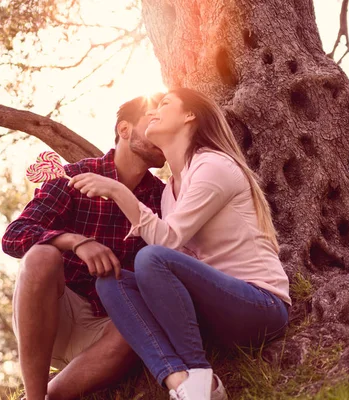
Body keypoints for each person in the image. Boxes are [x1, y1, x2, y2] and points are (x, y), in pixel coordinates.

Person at [70, 88, 291, 400]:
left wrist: (118, 192)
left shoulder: (213, 166)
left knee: (151, 257)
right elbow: (173, 260)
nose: (156, 110)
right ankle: (180, 381)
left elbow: (166, 242)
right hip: (212, 315)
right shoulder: (168, 191)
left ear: (190, 116)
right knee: (111, 280)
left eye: (165, 103)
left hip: (258, 306)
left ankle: (200, 376)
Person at [1, 93, 167, 400]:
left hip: (108, 329)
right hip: (53, 313)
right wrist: (76, 242)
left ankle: (46, 397)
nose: (161, 132)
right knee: (41, 255)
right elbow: (14, 236)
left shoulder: (162, 198)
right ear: (125, 129)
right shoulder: (74, 176)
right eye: (152, 121)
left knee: (146, 321)